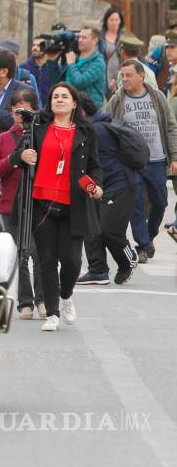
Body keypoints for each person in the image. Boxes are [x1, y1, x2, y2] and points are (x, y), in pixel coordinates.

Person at [13, 82, 102, 331]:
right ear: (50, 103)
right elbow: (15, 156)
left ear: (74, 103)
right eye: (55, 97)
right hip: (43, 203)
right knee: (47, 260)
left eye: (65, 96)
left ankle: (66, 295)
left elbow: (95, 166)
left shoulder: (86, 132)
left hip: (74, 204)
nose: (59, 100)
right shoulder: (37, 128)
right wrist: (22, 156)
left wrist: (96, 185)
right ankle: (52, 313)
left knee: (72, 260)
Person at [104, 59, 177, 263]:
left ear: (141, 76)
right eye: (122, 75)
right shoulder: (118, 99)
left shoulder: (157, 97)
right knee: (135, 205)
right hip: (131, 162)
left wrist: (174, 157)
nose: (124, 79)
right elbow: (107, 126)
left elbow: (171, 127)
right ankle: (143, 246)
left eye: (128, 75)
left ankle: (150, 235)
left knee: (160, 202)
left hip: (156, 160)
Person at [0, 89, 46, 319]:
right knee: (19, 254)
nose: (21, 115)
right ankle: (25, 302)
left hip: (39, 204)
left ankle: (42, 299)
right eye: (16, 110)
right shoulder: (4, 138)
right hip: (11, 205)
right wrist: (13, 159)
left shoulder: (44, 135)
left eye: (26, 109)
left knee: (40, 253)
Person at [76, 93, 139, 286]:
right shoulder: (90, 127)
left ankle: (127, 260)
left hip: (120, 185)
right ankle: (97, 270)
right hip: (99, 185)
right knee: (91, 227)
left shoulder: (96, 130)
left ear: (81, 111)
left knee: (109, 230)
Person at [43, 21, 106, 109]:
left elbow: (80, 82)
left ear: (95, 40)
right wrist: (52, 61)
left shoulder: (98, 62)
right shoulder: (73, 56)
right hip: (69, 108)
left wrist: (72, 65)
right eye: (79, 37)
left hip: (88, 111)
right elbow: (57, 80)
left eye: (84, 38)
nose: (80, 40)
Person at [21, 36, 55, 104]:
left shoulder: (54, 69)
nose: (35, 48)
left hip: (49, 110)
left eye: (39, 45)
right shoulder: (23, 68)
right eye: (33, 45)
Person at [101, 6, 125, 95]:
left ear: (120, 21)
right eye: (111, 20)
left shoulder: (125, 37)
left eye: (116, 20)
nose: (114, 22)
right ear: (106, 21)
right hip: (105, 74)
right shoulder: (100, 37)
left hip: (121, 74)